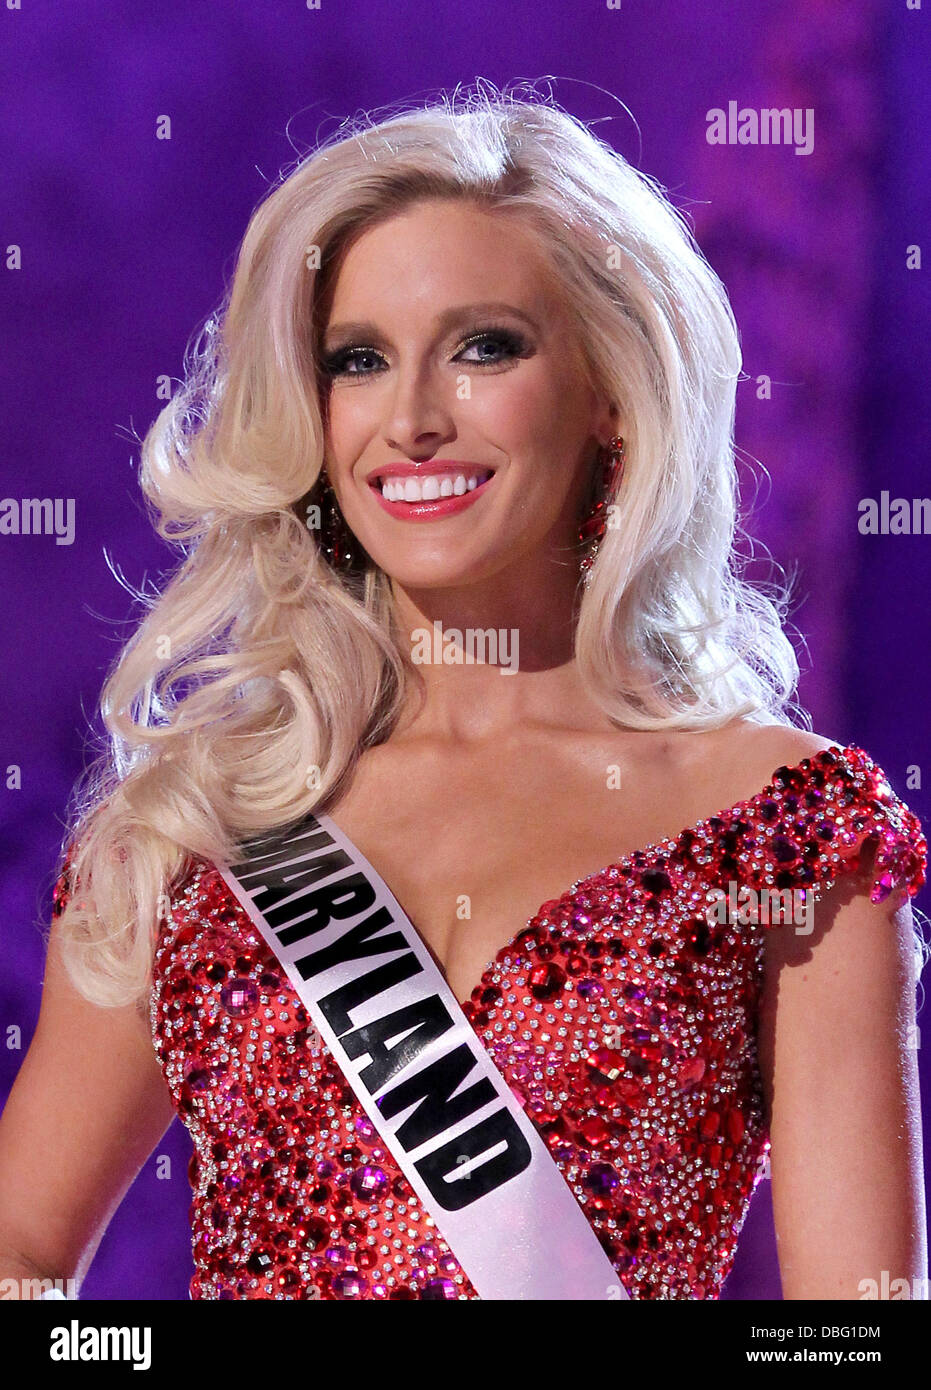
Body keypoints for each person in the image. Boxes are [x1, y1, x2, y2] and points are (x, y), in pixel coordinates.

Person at [0, 85, 926, 1302]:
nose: (412, 420)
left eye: (485, 346)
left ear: (609, 390)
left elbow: (853, 1332)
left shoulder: (785, 829)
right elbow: (18, 1259)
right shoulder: (200, 828)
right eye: (358, 361)